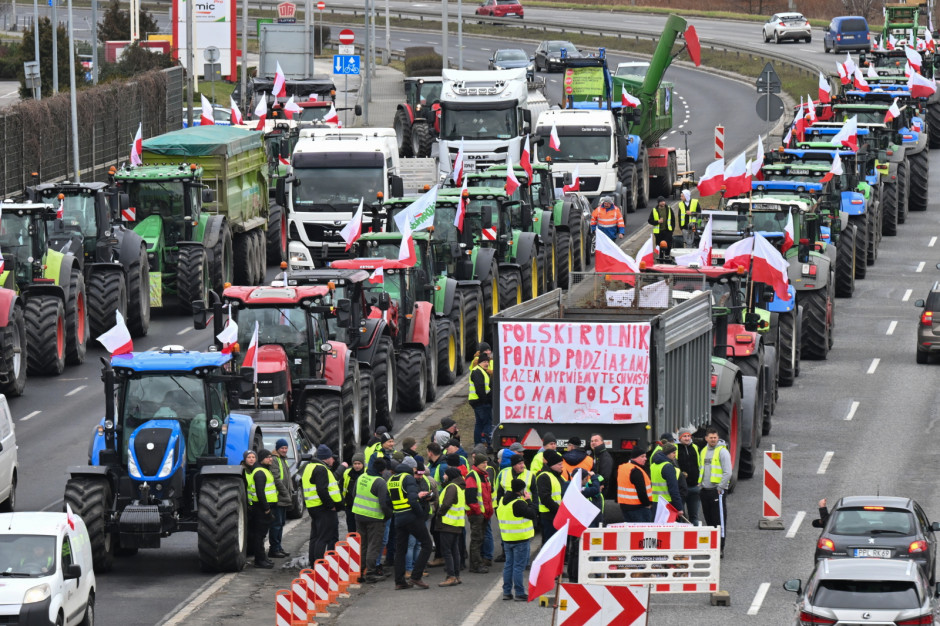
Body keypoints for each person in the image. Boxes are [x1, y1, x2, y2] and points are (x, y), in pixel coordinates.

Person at [388, 458, 433, 590]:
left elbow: (386, 500)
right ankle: (416, 576)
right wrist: (420, 515)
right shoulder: (408, 478)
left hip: (398, 517)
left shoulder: (391, 480)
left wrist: (397, 510)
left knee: (401, 549)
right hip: (411, 516)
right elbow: (413, 500)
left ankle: (400, 581)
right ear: (411, 469)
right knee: (427, 544)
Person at [497, 478, 537, 602]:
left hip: (507, 538)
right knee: (518, 567)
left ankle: (507, 592)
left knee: (508, 565)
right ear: (521, 490)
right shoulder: (518, 503)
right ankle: (519, 592)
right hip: (520, 539)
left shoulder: (503, 501)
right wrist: (529, 500)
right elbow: (533, 513)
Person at [352, 458, 393, 582]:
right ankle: (370, 573)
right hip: (375, 518)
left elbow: (354, 494)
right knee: (373, 545)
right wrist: (388, 515)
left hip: (359, 515)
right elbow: (383, 503)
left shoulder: (362, 477)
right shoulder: (380, 482)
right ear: (382, 470)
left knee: (363, 544)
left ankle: (360, 571)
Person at [302, 444, 343, 565]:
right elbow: (321, 490)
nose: (333, 460)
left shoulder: (309, 467)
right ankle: (319, 566)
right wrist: (331, 505)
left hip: (313, 507)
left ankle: (313, 563)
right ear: (326, 458)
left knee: (315, 537)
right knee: (323, 538)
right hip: (323, 509)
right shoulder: (321, 469)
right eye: (331, 457)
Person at [698, 427, 731, 555]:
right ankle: (712, 546)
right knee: (709, 521)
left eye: (715, 437)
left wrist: (720, 487)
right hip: (705, 490)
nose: (713, 440)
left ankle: (720, 548)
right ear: (706, 438)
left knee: (719, 521)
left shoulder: (722, 452)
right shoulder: (703, 451)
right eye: (711, 437)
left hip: (717, 491)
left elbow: (728, 472)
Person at [434, 467, 466, 587]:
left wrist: (439, 513)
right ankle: (456, 576)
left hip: (447, 524)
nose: (443, 476)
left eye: (445, 474)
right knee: (454, 550)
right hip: (456, 524)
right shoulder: (459, 487)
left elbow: (447, 503)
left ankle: (451, 576)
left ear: (450, 475)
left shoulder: (451, 487)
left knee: (447, 551)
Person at [245, 449, 276, 568]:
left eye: (271, 457)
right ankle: (259, 560)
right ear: (262, 458)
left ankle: (263, 558)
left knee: (262, 534)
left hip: (263, 507)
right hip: (261, 508)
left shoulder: (263, 470)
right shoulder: (260, 472)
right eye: (268, 457)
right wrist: (267, 509)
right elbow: (260, 492)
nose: (270, 459)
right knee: (260, 535)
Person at [465, 453, 494, 574]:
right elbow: (471, 498)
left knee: (479, 539)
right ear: (478, 463)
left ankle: (477, 562)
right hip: (477, 514)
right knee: (477, 539)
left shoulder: (484, 475)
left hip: (482, 513)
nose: (485, 465)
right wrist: (479, 512)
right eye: (483, 463)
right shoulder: (473, 476)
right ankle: (475, 565)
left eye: (486, 463)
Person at [268, 438, 293, 559]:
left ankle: (279, 547)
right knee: (276, 524)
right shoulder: (274, 460)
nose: (284, 450)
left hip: (283, 498)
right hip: (278, 498)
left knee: (281, 523)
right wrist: (285, 493)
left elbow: (287, 476)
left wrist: (291, 490)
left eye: (286, 448)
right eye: (282, 448)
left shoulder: (283, 459)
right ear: (277, 449)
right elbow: (276, 479)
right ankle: (274, 549)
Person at [536, 450, 566, 541]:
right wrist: (559, 510)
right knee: (549, 544)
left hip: (558, 515)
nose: (562, 466)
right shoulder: (544, 477)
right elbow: (545, 498)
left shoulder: (559, 477)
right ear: (552, 465)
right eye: (559, 464)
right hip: (549, 517)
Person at [617, 447, 652, 523]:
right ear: (635, 458)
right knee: (643, 533)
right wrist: (647, 504)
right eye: (642, 456)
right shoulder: (636, 471)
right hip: (638, 508)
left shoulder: (623, 468)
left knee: (631, 533)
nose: (645, 459)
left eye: (645, 456)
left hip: (625, 507)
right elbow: (641, 491)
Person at [676, 426, 702, 525]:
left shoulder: (695, 447)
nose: (687, 438)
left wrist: (700, 481)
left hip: (694, 487)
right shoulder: (676, 448)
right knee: (680, 517)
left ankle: (694, 538)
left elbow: (700, 465)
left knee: (694, 517)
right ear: (679, 438)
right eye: (684, 436)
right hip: (682, 488)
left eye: (688, 436)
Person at [650, 443, 684, 515]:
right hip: (667, 503)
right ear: (667, 453)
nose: (675, 455)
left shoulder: (653, 465)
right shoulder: (668, 466)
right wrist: (679, 508)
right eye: (673, 453)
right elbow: (673, 489)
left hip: (655, 501)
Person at [469, 351, 494, 448]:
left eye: (487, 362)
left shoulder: (481, 371)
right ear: (479, 362)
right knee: (487, 423)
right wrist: (486, 400)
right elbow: (480, 388)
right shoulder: (477, 372)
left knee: (479, 424)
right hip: (481, 402)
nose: (486, 363)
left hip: (478, 402)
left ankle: (478, 444)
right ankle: (486, 443)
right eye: (484, 362)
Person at [341, 453, 366, 534]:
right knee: (352, 531)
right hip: (350, 506)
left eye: (359, 464)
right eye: (355, 464)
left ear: (363, 464)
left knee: (362, 531)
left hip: (363, 507)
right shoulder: (347, 473)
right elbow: (340, 487)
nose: (357, 466)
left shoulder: (367, 473)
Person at [589, 433, 614, 498]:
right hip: (593, 487)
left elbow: (605, 476)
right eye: (592, 441)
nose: (593, 443)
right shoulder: (593, 454)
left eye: (596, 440)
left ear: (602, 442)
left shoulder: (605, 457)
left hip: (600, 489)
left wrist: (598, 485)